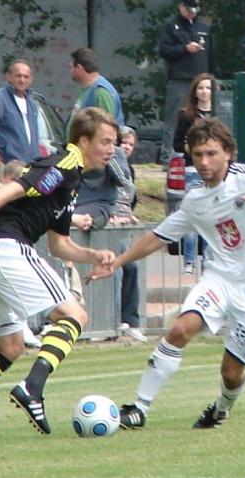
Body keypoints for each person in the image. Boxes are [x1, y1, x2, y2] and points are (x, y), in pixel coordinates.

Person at [88, 118, 245, 430]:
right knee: (179, 330)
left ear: (228, 153)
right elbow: (158, 236)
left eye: (211, 154)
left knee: (231, 373)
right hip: (220, 280)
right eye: (198, 154)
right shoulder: (195, 200)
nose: (204, 162)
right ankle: (138, 408)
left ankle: (221, 407)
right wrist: (117, 262)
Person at [0, 107, 117, 439]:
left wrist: (92, 255)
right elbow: (14, 188)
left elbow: (59, 245)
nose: (111, 149)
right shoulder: (65, 163)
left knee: (10, 346)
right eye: (105, 141)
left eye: (113, 142)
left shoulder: (72, 181)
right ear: (84, 141)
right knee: (74, 315)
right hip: (3, 245)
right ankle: (32, 388)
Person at [159, 0, 215, 164]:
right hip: (180, 78)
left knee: (205, 116)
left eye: (194, 9)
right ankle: (167, 157)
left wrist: (212, 77)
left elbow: (211, 54)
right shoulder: (171, 26)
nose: (192, 13)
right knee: (174, 117)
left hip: (201, 78)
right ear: (181, 7)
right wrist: (184, 48)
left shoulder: (204, 27)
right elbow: (164, 50)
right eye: (189, 9)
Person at [173, 72, 216, 273]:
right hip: (192, 170)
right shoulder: (187, 115)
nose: (204, 91)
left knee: (211, 215)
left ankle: (208, 260)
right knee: (193, 213)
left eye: (208, 88)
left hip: (214, 172)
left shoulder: (219, 113)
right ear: (195, 91)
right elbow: (176, 142)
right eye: (200, 88)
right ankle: (189, 261)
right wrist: (190, 149)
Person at [109, 126, 146, 342]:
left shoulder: (127, 170)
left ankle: (130, 320)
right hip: (108, 224)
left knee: (130, 268)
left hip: (124, 224)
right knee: (117, 270)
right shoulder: (108, 163)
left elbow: (129, 198)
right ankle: (113, 321)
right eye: (123, 142)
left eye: (131, 144)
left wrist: (129, 215)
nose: (126, 147)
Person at [0, 59, 42, 176]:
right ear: (8, 77)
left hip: (27, 170)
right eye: (18, 76)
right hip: (5, 170)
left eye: (26, 77)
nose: (22, 80)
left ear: (31, 79)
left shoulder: (32, 104)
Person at [67, 47, 124, 138]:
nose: (70, 71)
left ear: (79, 67)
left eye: (71, 67)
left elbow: (106, 129)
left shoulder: (100, 92)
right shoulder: (88, 90)